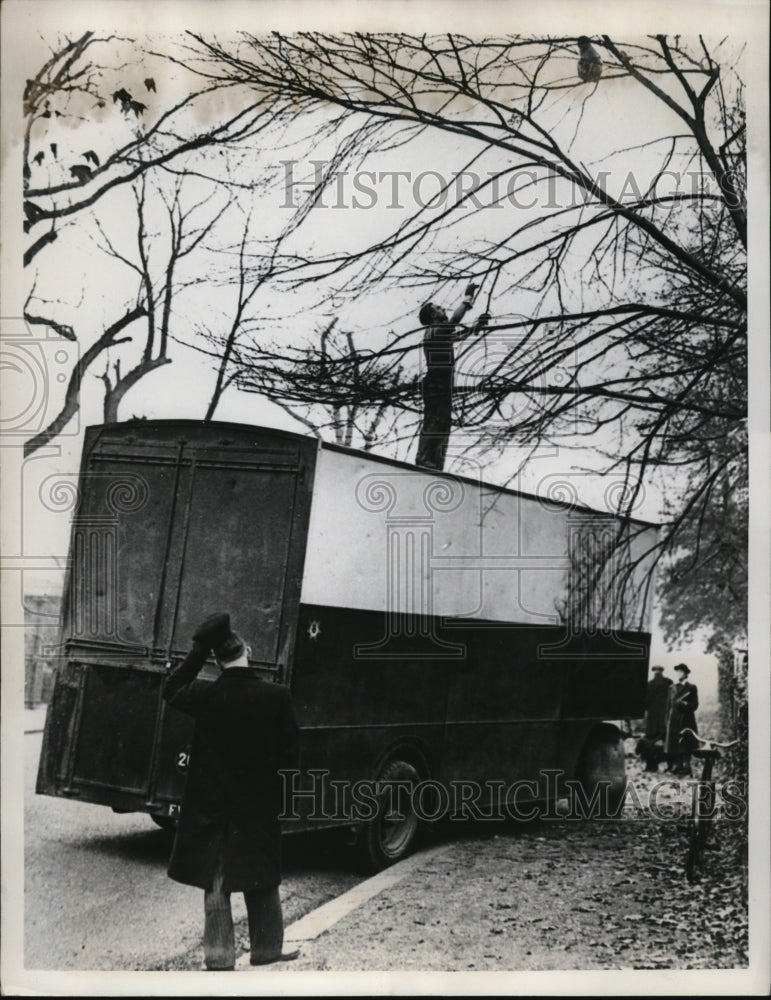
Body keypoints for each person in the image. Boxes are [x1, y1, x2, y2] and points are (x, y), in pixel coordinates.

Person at [164, 612, 300, 970]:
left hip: (214, 805)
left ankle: (220, 955)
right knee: (264, 875)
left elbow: (171, 688)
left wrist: (198, 652)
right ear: (247, 652)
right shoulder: (277, 696)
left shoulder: (205, 694)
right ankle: (267, 948)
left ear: (217, 660)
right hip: (259, 805)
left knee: (218, 879)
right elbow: (291, 756)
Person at [415, 283, 489, 471]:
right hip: (436, 385)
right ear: (432, 316)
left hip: (442, 386)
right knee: (435, 422)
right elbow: (455, 320)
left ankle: (434, 464)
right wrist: (468, 298)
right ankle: (425, 461)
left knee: (442, 424)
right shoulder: (434, 331)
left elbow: (458, 336)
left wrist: (476, 326)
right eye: (438, 308)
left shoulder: (439, 333)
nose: (443, 309)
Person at [664, 662, 699, 776]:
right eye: (678, 671)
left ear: (686, 674)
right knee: (674, 742)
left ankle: (687, 766)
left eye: (682, 671)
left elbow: (695, 704)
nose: (679, 674)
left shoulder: (691, 687)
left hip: (686, 718)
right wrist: (667, 719)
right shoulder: (671, 688)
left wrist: (685, 704)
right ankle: (678, 766)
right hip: (674, 719)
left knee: (686, 742)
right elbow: (668, 706)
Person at [637, 665, 672, 771]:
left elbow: (646, 703)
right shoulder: (669, 683)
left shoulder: (650, 684)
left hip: (652, 717)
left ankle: (651, 765)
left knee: (650, 740)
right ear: (662, 671)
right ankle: (669, 765)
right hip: (665, 716)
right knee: (665, 740)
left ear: (655, 672)